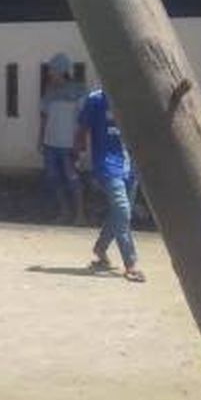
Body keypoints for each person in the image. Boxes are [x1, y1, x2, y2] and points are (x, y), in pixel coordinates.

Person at [76, 88, 146, 283]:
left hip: (130, 165)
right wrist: (80, 157)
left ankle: (100, 248)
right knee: (123, 210)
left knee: (120, 212)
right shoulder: (95, 99)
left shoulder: (134, 97)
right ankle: (131, 264)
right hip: (107, 165)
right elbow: (82, 129)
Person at [39, 53, 85, 225]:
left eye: (52, 70)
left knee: (73, 178)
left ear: (61, 71)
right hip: (51, 143)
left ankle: (81, 215)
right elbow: (44, 117)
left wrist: (80, 142)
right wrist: (41, 139)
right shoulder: (49, 92)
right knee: (54, 178)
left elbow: (83, 119)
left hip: (69, 144)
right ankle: (64, 211)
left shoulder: (79, 90)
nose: (50, 73)